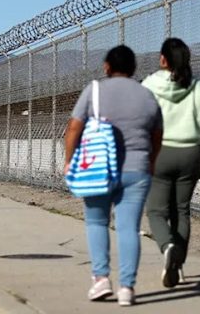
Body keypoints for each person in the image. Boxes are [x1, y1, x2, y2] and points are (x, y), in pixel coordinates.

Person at [65, 45, 162, 306]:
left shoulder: (94, 90)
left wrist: (69, 161)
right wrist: (151, 161)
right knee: (128, 228)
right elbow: (157, 134)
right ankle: (127, 287)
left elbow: (74, 128)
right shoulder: (147, 95)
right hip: (137, 168)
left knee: (96, 222)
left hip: (98, 168)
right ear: (133, 68)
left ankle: (101, 279)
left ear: (107, 66)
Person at [142, 37, 200, 288]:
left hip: (160, 153)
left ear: (163, 59)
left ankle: (168, 246)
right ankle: (176, 265)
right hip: (191, 154)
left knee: (156, 211)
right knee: (182, 211)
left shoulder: (150, 85)